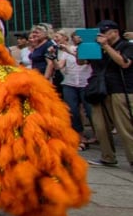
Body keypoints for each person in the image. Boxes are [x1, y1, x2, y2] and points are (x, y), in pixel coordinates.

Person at [87, 19, 133, 169]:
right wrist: (84, 46)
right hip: (100, 90)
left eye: (105, 33)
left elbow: (124, 63)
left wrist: (106, 46)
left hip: (120, 89)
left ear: (115, 32)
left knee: (124, 127)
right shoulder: (97, 47)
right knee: (100, 127)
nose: (102, 36)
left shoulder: (126, 46)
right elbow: (82, 62)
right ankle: (107, 157)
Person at [54, 28, 94, 149]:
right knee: (73, 111)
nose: (77, 38)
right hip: (70, 83)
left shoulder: (89, 48)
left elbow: (85, 61)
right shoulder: (65, 51)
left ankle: (98, 134)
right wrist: (52, 58)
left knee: (90, 111)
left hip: (86, 82)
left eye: (79, 36)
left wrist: (70, 51)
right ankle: (79, 136)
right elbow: (59, 66)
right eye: (75, 36)